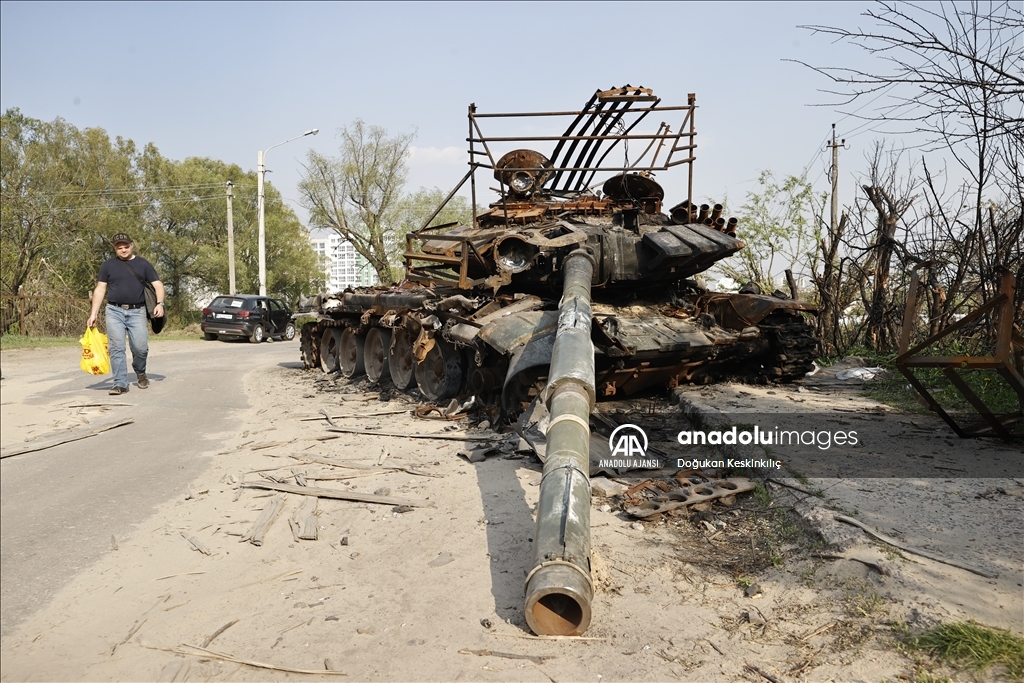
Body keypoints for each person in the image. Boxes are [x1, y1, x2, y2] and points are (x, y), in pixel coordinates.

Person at [86, 233, 166, 395]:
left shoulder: (143, 264)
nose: (123, 250)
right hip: (114, 311)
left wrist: (160, 303)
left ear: (132, 245)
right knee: (116, 348)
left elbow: (158, 285)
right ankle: (120, 383)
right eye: (119, 247)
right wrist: (93, 313)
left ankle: (140, 371)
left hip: (137, 311)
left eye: (126, 246)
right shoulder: (108, 265)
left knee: (140, 348)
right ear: (115, 249)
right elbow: (100, 289)